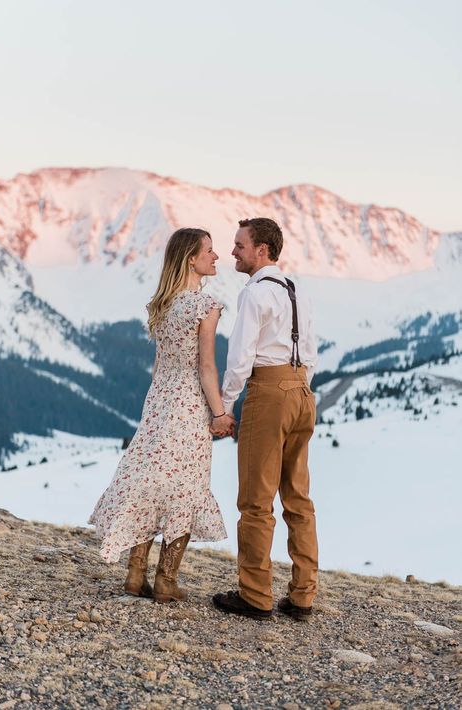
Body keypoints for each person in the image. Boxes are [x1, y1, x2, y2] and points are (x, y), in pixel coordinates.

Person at [89, 227, 229, 603]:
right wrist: (219, 413)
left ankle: (136, 573)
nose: (216, 258)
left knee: (149, 481)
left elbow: (158, 365)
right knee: (185, 485)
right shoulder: (205, 305)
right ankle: (166, 580)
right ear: (191, 259)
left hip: (159, 403)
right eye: (210, 251)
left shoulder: (163, 304)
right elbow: (206, 368)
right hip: (187, 405)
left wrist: (157, 403)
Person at [211, 217, 318, 620]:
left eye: (239, 245)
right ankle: (303, 595)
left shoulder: (255, 294)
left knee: (256, 499)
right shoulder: (298, 291)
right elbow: (310, 352)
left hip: (269, 392)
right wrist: (299, 386)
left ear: (262, 250)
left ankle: (255, 595)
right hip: (302, 393)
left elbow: (240, 356)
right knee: (298, 498)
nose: (233, 251)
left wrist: (226, 404)